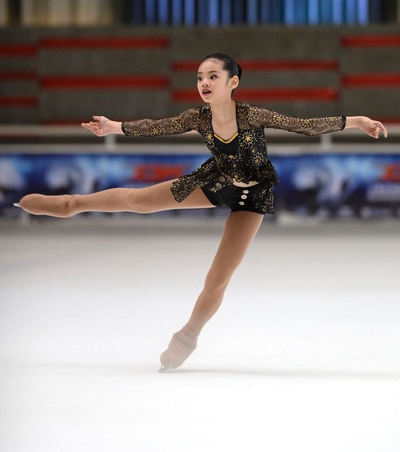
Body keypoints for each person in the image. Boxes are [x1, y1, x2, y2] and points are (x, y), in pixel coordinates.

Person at [17, 53, 388, 371]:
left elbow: (303, 126)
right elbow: (158, 127)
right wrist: (114, 126)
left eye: (212, 76)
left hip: (251, 196)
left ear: (232, 82)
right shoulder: (198, 117)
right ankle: (72, 203)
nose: (204, 83)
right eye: (199, 77)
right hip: (215, 179)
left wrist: (358, 121)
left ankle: (188, 335)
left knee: (217, 279)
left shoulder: (252, 115)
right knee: (140, 200)